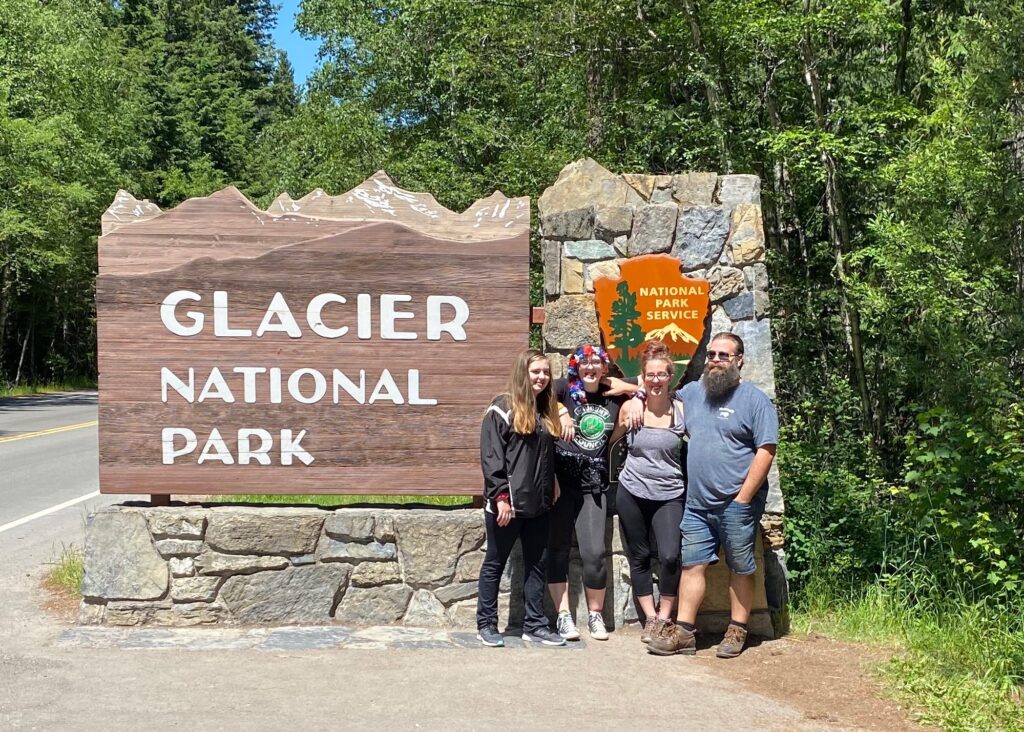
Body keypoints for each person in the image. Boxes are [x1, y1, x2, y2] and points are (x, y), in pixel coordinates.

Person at [646, 332, 778, 658]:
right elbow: (657, 393)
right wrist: (632, 397)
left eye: (723, 355)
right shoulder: (693, 393)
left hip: (737, 502)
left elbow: (766, 450)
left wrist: (744, 499)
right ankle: (685, 633)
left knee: (740, 566)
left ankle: (737, 630)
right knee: (692, 565)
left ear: (739, 360)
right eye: (712, 355)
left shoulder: (754, 400)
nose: (715, 360)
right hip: (697, 503)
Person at [476, 348, 566, 647]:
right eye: (535, 371)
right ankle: (487, 625)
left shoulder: (544, 409)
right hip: (508, 506)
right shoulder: (501, 408)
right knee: (495, 564)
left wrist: (551, 480)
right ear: (522, 373)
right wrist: (500, 496)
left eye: (545, 372)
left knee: (537, 565)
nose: (541, 378)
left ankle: (535, 624)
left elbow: (543, 454)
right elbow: (492, 458)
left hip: (538, 504)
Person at [545, 342, 628, 641]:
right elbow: (533, 391)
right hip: (561, 481)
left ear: (604, 367)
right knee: (556, 549)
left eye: (596, 363)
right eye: (584, 363)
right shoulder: (565, 389)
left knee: (594, 554)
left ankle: (595, 615)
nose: (589, 368)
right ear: (575, 367)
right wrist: (561, 410)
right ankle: (563, 615)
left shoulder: (613, 394)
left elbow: (650, 383)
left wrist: (630, 398)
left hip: (593, 483)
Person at [611, 340, 688, 648]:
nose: (656, 380)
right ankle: (650, 619)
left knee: (670, 556)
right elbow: (609, 441)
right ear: (643, 377)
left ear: (670, 377)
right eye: (650, 375)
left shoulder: (682, 411)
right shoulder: (632, 408)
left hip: (670, 493)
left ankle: (665, 617)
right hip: (632, 491)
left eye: (662, 375)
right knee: (639, 556)